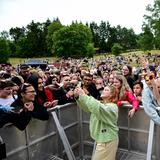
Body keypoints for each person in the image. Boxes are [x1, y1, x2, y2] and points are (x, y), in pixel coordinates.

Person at [74, 85, 119, 160]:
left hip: (107, 140)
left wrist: (83, 95)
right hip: (103, 140)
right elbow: (88, 107)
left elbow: (96, 107)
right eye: (104, 89)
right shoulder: (101, 104)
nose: (103, 91)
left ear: (112, 95)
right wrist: (78, 97)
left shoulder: (112, 107)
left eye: (106, 90)